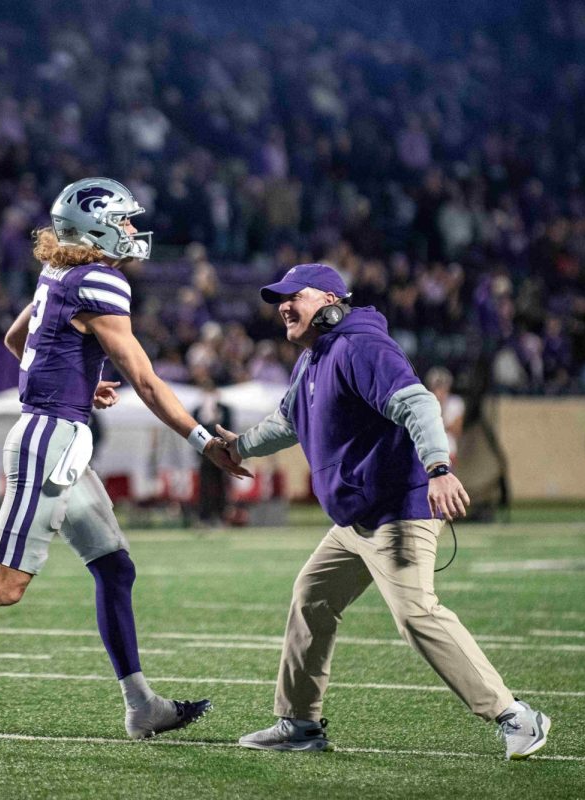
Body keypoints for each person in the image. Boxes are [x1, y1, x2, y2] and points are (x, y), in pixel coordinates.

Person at [0, 178, 249, 738]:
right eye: (124, 220)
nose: (132, 230)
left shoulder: (58, 273)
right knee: (5, 583)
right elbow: (148, 383)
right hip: (48, 441)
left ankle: (141, 705)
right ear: (96, 226)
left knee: (115, 566)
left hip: (59, 435)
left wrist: (76, 387)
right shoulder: (102, 282)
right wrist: (204, 441)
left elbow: (20, 341)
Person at [214, 263, 550, 760]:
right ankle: (300, 724)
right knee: (312, 596)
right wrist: (240, 446)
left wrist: (439, 469)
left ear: (330, 301)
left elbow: (419, 404)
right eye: (278, 298)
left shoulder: (359, 345)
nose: (282, 306)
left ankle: (515, 715)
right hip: (356, 520)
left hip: (398, 510)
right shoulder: (315, 357)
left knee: (415, 613)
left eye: (294, 296)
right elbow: (288, 421)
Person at [191, 381, 233, 527]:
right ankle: (205, 516)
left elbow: (229, 430)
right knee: (205, 486)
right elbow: (193, 432)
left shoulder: (225, 410)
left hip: (222, 454)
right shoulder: (198, 411)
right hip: (205, 455)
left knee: (221, 486)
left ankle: (221, 515)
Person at [424, 366, 465, 465]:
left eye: (443, 386)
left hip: (448, 452)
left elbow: (457, 430)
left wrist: (441, 406)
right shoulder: (425, 403)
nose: (440, 390)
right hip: (428, 453)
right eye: (437, 386)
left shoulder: (455, 403)